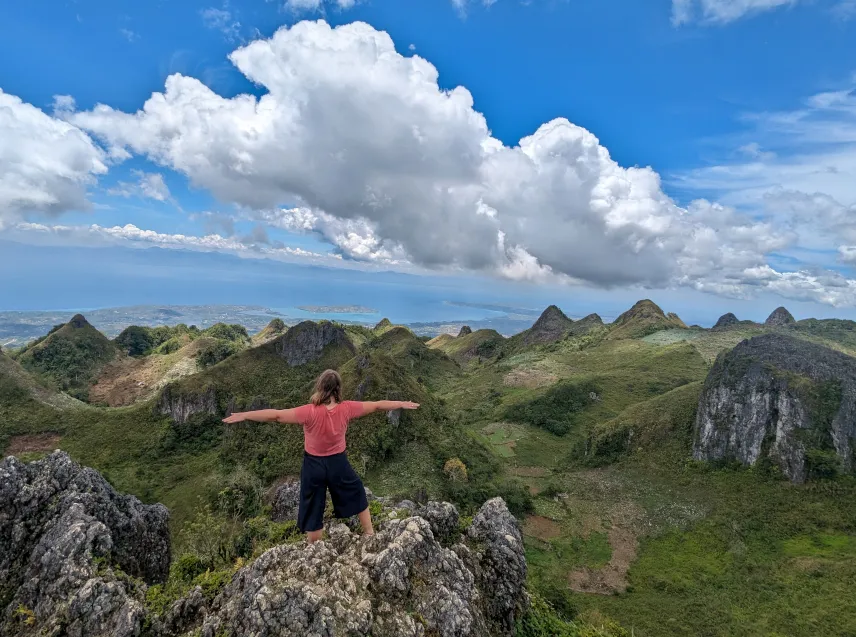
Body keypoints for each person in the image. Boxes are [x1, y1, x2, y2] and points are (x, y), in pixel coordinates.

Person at [222, 369, 420, 543]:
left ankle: (314, 547)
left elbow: (276, 415)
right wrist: (400, 403)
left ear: (320, 387)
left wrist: (246, 414)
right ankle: (369, 533)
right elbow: (377, 405)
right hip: (338, 462)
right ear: (338, 389)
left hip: (313, 465)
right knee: (357, 490)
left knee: (312, 505)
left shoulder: (309, 412)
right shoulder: (347, 408)